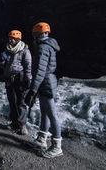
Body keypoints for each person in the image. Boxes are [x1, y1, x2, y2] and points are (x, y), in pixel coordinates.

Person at [25, 22, 63, 158]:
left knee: (51, 114)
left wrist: (33, 90)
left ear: (36, 34)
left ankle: (57, 146)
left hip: (45, 82)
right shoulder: (49, 45)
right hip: (47, 81)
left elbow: (40, 72)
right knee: (45, 112)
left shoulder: (42, 48)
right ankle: (42, 139)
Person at [0, 30, 32, 135]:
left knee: (20, 102)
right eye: (9, 38)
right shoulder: (7, 50)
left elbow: (28, 66)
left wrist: (28, 79)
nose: (10, 40)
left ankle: (22, 125)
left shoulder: (24, 51)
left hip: (19, 79)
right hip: (9, 79)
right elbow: (4, 66)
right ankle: (14, 122)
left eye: (12, 38)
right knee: (12, 101)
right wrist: (2, 61)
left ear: (17, 39)